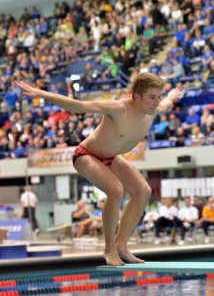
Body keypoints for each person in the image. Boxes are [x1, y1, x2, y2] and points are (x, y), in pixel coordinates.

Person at [16, 73, 182, 266]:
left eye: (158, 96)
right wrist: (42, 94)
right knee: (116, 190)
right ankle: (109, 249)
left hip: (109, 157)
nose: (157, 101)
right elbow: (77, 106)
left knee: (143, 191)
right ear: (136, 97)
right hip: (86, 155)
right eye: (152, 97)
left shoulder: (153, 109)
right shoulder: (117, 108)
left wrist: (172, 96)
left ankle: (121, 246)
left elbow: (167, 103)